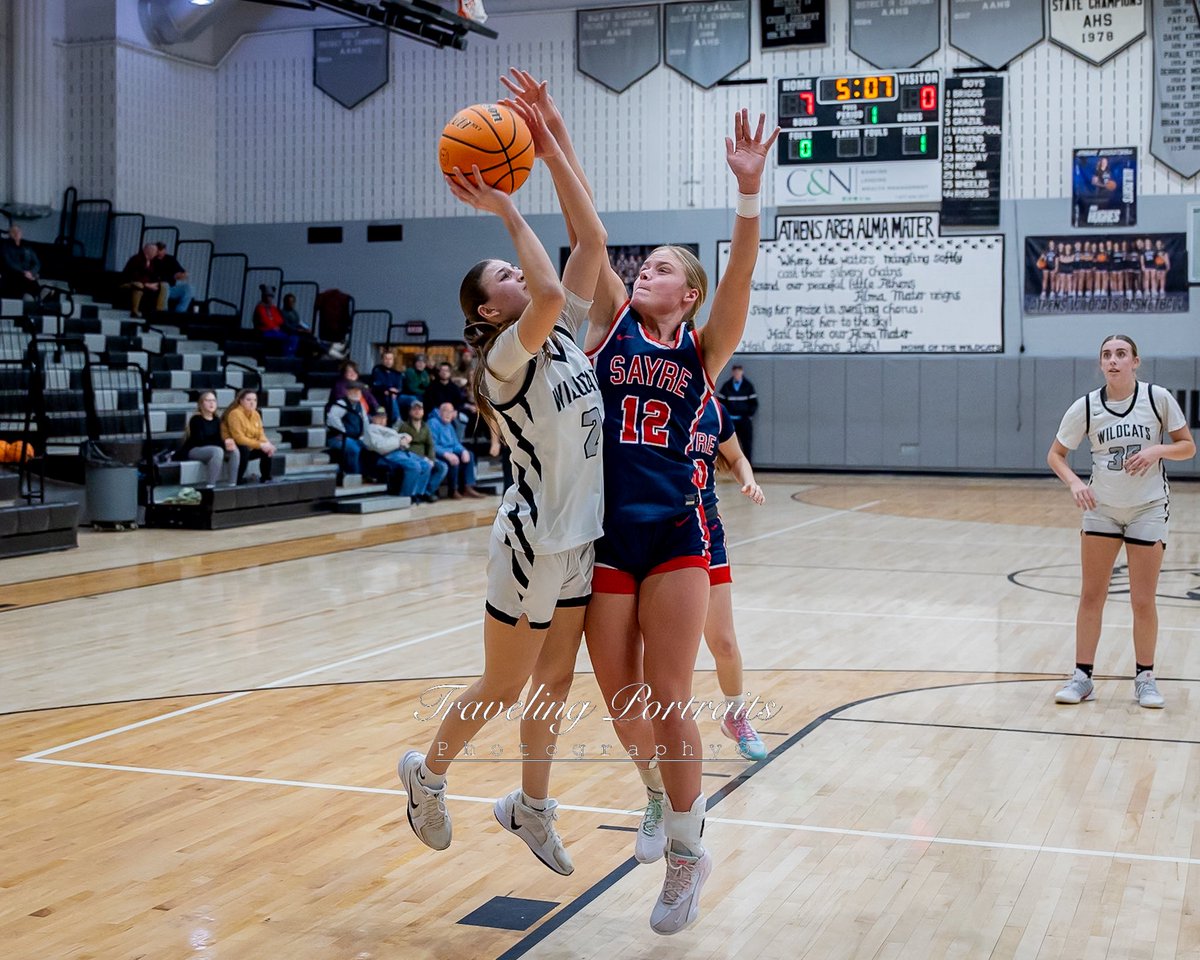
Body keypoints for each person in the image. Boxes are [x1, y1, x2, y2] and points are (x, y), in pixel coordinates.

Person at [502, 59, 775, 934]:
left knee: (668, 696)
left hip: (678, 534)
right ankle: (658, 797)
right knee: (624, 706)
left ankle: (689, 854)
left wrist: (746, 197)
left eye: (659, 267)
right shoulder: (612, 323)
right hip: (606, 537)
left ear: (683, 293)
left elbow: (736, 284)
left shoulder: (702, 348)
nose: (643, 270)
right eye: (643, 265)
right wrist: (549, 142)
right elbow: (589, 225)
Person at [399, 91, 609, 879]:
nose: (519, 271)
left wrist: (552, 145)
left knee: (555, 681)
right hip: (530, 540)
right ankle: (428, 774)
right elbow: (551, 288)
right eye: (503, 273)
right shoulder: (504, 359)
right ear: (491, 307)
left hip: (580, 535)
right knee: (505, 681)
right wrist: (504, 209)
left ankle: (530, 805)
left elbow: (593, 239)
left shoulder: (555, 334)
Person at [1047, 334, 1194, 710]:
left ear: (1135, 361)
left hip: (1147, 507)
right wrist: (1076, 483)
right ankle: (1083, 677)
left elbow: (1187, 446)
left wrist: (1158, 449)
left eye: (1121, 354)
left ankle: (1145, 677)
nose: (1114, 361)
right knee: (1091, 595)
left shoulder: (1157, 399)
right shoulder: (1086, 406)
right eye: (1107, 355)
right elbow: (1056, 455)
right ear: (1101, 364)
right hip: (1102, 508)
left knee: (1143, 600)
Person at [690, 399, 767, 761]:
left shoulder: (714, 411)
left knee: (723, 640)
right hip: (653, 531)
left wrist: (748, 480)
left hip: (706, 532)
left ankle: (736, 715)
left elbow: (736, 458)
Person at [361, 407, 433, 498]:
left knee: (426, 465)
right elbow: (381, 447)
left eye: (384, 417)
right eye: (379, 417)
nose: (382, 420)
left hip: (401, 452)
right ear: (373, 418)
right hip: (387, 455)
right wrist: (399, 441)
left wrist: (404, 437)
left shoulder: (387, 429)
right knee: (414, 466)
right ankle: (405, 496)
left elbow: (400, 436)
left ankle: (418, 494)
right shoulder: (371, 429)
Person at [178, 390, 239, 486]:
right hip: (195, 449)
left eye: (214, 401)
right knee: (218, 451)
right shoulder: (196, 419)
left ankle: (232, 484)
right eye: (208, 400)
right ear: (201, 404)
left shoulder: (217, 420)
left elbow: (222, 437)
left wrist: (228, 442)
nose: (211, 403)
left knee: (234, 450)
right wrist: (222, 444)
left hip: (213, 448)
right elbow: (200, 441)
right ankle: (211, 485)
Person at [221, 389, 276, 483]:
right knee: (244, 448)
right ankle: (238, 479)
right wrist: (260, 445)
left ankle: (266, 478)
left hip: (248, 446)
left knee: (266, 450)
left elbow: (260, 434)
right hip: (232, 446)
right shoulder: (235, 414)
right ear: (241, 401)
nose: (252, 403)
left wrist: (267, 444)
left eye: (255, 400)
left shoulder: (256, 414)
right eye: (248, 400)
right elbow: (239, 438)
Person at [429, 400, 481, 498]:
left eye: (451, 412)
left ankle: (468, 487)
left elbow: (455, 443)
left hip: (450, 452)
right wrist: (447, 454)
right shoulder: (433, 423)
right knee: (454, 460)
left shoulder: (449, 424)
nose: (449, 414)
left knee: (469, 454)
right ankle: (453, 490)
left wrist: (463, 451)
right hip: (438, 454)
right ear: (440, 412)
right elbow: (432, 445)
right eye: (446, 411)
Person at [398, 400, 447, 502]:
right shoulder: (404, 426)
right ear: (410, 412)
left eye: (419, 409)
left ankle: (427, 492)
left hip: (425, 456)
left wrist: (431, 459)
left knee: (442, 467)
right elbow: (402, 444)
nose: (417, 411)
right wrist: (422, 458)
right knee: (423, 466)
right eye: (414, 409)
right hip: (411, 455)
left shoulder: (426, 427)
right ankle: (416, 493)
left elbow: (430, 445)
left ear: (423, 412)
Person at [717, 363, 758, 465]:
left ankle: (748, 467)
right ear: (732, 373)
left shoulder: (748, 386)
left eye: (738, 371)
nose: (737, 373)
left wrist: (748, 416)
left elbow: (754, 403)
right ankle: (727, 467)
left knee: (746, 445)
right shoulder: (726, 386)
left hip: (744, 422)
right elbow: (720, 403)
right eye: (735, 371)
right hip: (730, 422)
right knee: (726, 445)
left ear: (742, 372)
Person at [326, 380, 369, 476]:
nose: (356, 394)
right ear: (347, 392)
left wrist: (364, 436)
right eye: (353, 391)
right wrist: (344, 432)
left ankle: (367, 475)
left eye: (358, 391)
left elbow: (365, 422)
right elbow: (332, 419)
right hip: (338, 438)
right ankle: (353, 475)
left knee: (370, 447)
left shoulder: (360, 405)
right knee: (353, 448)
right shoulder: (341, 404)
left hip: (356, 437)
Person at [120, 243, 169, 318]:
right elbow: (134, 276)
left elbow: (153, 276)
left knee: (163, 286)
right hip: (128, 282)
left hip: (144, 283)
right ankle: (134, 311)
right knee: (138, 284)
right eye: (155, 251)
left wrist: (155, 283)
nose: (156, 254)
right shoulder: (136, 259)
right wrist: (147, 284)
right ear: (148, 250)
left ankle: (159, 311)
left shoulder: (152, 262)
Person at [252, 285, 298, 356]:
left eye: (271, 296)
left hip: (275, 331)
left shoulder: (273, 308)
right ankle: (286, 357)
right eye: (268, 296)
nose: (269, 298)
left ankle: (289, 357)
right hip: (264, 331)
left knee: (293, 337)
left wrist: (275, 325)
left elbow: (279, 320)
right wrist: (274, 326)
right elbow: (264, 321)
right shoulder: (260, 307)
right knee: (287, 339)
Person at [1, 225, 42, 300]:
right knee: (22, 280)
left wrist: (31, 272)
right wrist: (24, 272)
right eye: (13, 232)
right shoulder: (5, 246)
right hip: (14, 274)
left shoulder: (27, 246)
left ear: (21, 233)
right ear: (9, 234)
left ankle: (39, 296)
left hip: (28, 275)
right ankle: (38, 294)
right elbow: (9, 263)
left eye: (18, 231)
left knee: (31, 280)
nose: (16, 234)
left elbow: (37, 263)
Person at [153, 242, 194, 314]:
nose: (159, 252)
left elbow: (182, 272)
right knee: (165, 285)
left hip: (171, 287)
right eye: (157, 250)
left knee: (189, 288)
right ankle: (163, 312)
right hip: (158, 287)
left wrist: (182, 275)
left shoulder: (170, 259)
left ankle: (179, 312)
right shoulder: (152, 260)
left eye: (161, 249)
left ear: (165, 250)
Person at [371, 348, 406, 425]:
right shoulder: (377, 370)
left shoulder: (396, 373)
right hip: (383, 397)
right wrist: (388, 390)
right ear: (382, 360)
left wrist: (397, 391)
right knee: (391, 397)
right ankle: (398, 421)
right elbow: (376, 386)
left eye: (390, 359)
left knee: (412, 399)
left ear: (393, 361)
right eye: (386, 358)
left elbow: (400, 388)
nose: (388, 361)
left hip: (396, 396)